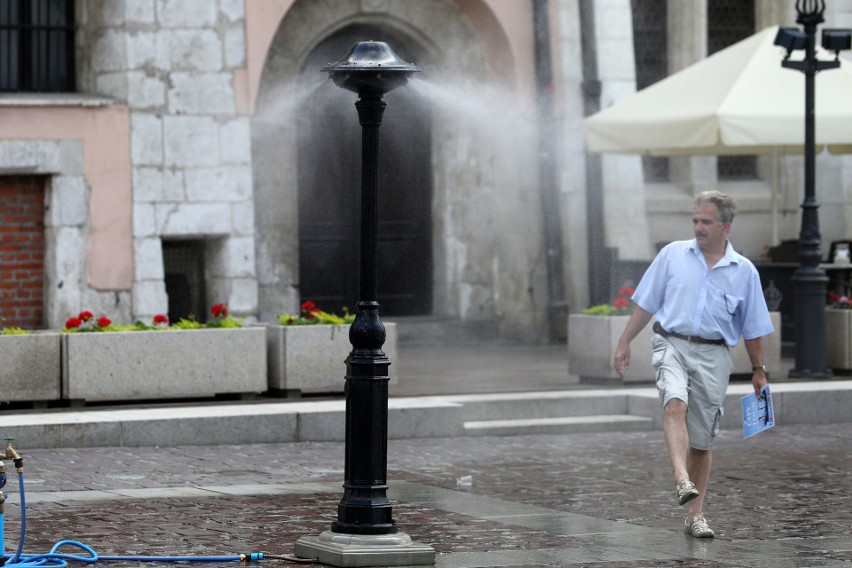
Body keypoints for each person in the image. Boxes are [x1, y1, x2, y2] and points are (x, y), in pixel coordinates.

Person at [613, 190, 773, 539]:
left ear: (725, 226)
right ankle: (680, 478)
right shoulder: (672, 255)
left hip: (715, 355)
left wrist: (759, 371)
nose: (698, 227)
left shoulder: (744, 271)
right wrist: (624, 342)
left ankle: (695, 516)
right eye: (695, 220)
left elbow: (753, 327)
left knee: (701, 442)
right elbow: (646, 302)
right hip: (670, 341)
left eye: (706, 222)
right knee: (675, 403)